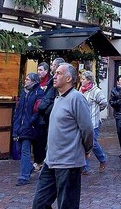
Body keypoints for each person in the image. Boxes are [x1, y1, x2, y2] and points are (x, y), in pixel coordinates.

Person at [32, 64, 93, 209]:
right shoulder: (58, 98)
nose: (54, 76)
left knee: (67, 205)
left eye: (59, 73)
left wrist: (87, 149)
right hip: (51, 160)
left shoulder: (76, 98)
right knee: (39, 204)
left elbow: (87, 129)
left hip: (68, 162)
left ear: (68, 78)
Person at [33, 58, 65, 166]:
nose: (52, 67)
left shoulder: (54, 84)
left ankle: (45, 162)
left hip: (47, 118)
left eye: (53, 65)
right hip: (43, 117)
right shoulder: (49, 82)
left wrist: (45, 110)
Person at [14, 72, 44, 185]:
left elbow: (37, 110)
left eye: (27, 79)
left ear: (33, 81)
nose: (25, 81)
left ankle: (24, 176)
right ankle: (29, 168)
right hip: (20, 126)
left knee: (25, 150)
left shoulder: (38, 93)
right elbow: (19, 111)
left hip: (30, 126)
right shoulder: (24, 92)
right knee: (19, 150)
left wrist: (29, 122)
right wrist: (16, 126)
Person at [79, 71, 108, 174]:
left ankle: (102, 159)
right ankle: (85, 167)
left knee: (92, 143)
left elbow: (104, 103)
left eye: (83, 79)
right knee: (83, 144)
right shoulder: (81, 90)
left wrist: (96, 111)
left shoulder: (96, 91)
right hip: (83, 122)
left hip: (93, 122)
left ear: (89, 80)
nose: (81, 81)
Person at [108, 75, 121, 159]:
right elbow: (111, 102)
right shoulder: (114, 90)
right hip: (119, 114)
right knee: (120, 133)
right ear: (118, 81)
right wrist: (118, 102)